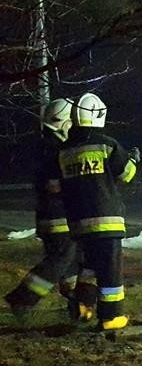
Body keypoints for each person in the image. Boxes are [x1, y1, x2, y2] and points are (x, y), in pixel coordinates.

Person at [59, 93, 139, 332]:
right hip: (106, 222)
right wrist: (133, 159)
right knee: (110, 271)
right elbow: (126, 175)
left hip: (78, 224)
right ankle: (111, 316)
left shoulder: (64, 151)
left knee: (89, 268)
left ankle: (83, 305)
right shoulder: (106, 144)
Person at [4, 98, 83, 320]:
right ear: (65, 124)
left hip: (51, 216)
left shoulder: (45, 145)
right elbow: (57, 183)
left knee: (68, 263)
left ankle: (75, 306)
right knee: (60, 260)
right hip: (59, 217)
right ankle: (22, 298)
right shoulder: (56, 149)